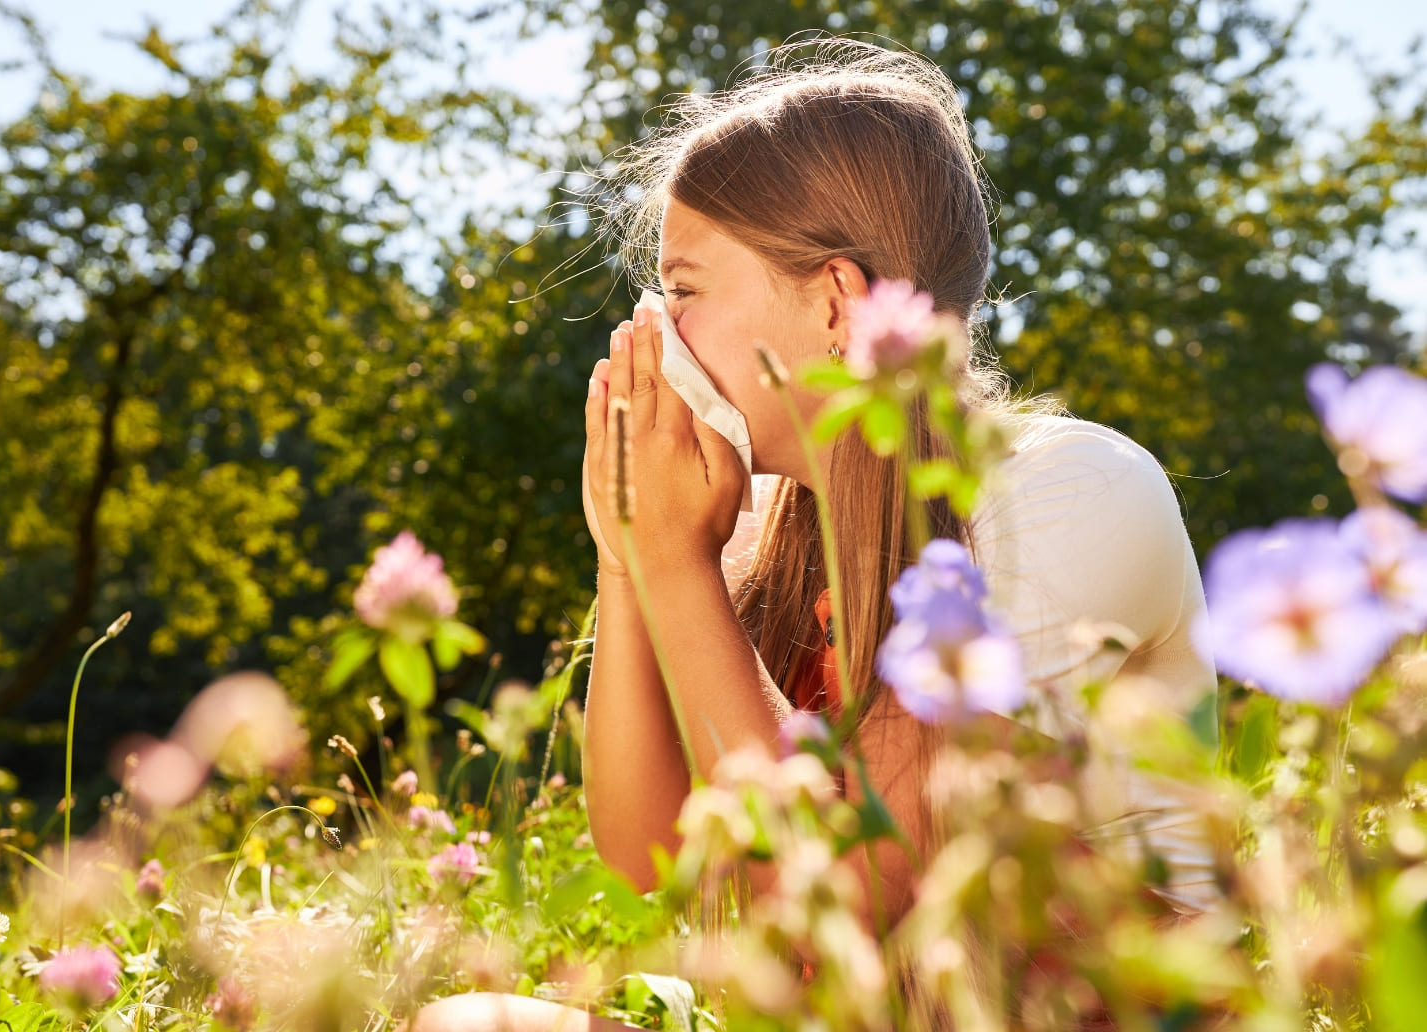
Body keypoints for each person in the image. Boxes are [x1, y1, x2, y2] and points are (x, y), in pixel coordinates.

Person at [408, 36, 1217, 1032]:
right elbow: (655, 865)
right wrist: (631, 551)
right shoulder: (759, 525)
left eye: (688, 289)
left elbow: (865, 885)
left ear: (835, 304)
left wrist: (672, 561)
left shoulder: (1067, 489)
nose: (660, 331)